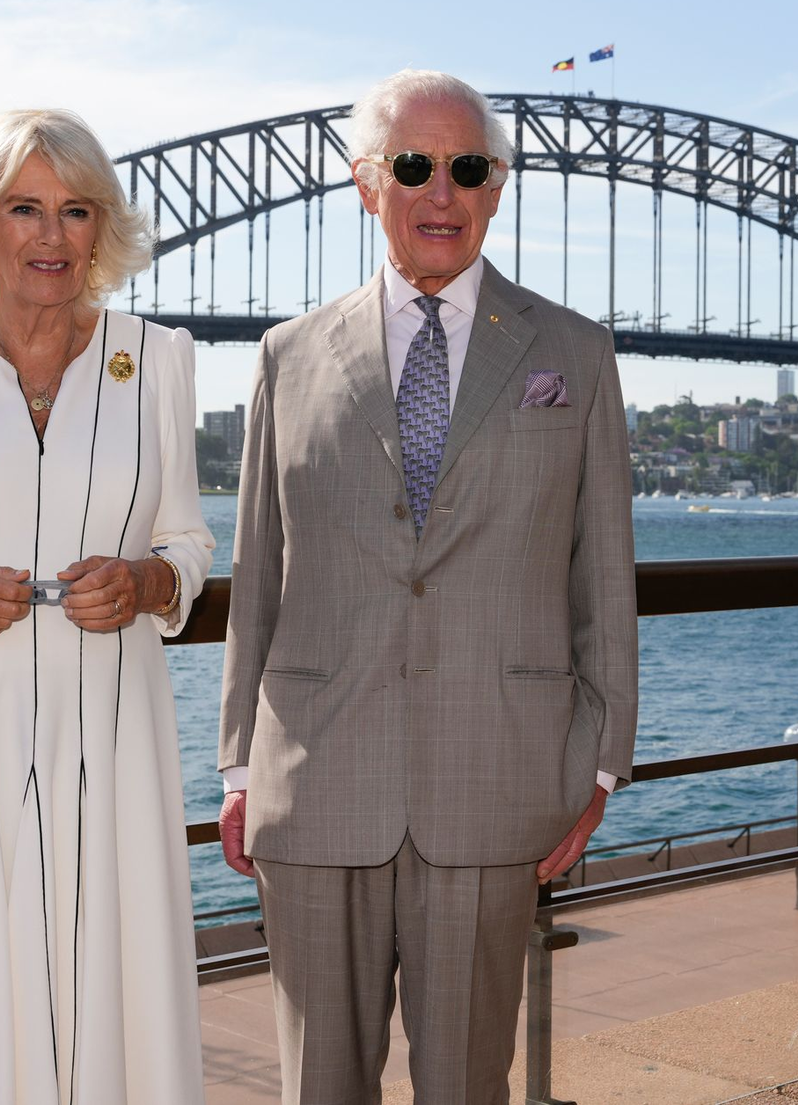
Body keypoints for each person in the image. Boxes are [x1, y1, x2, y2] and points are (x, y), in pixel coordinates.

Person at [217, 69, 638, 1104]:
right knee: (321, 1086)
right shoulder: (286, 357)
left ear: (498, 188)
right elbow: (256, 578)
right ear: (368, 185)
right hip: (317, 784)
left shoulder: (575, 355)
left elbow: (605, 580)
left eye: (467, 168)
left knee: (465, 1086)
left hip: (499, 783)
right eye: (413, 165)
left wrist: (601, 762)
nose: (440, 191)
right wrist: (237, 768)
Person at [0, 109, 214, 1105]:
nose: (51, 235)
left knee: (105, 982)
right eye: (25, 207)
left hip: (105, 743)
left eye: (75, 210)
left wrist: (147, 580)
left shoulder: (156, 359)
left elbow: (188, 542)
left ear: (102, 231)